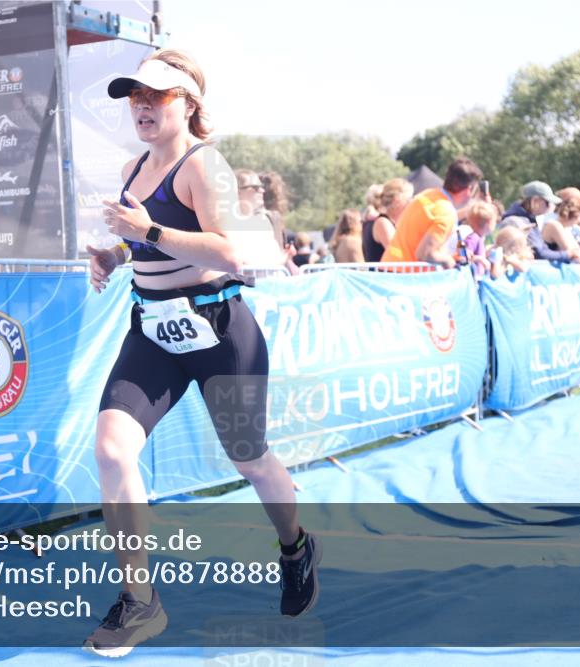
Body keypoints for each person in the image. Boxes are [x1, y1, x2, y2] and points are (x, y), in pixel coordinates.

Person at [84, 49, 321, 658]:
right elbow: (142, 244)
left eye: (155, 95)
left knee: (250, 458)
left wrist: (149, 234)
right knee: (112, 448)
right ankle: (141, 601)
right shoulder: (136, 168)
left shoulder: (204, 164)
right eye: (134, 95)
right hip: (154, 331)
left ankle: (295, 545)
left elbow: (231, 256)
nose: (141, 105)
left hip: (218, 330)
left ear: (188, 103)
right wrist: (114, 256)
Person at [380, 159, 482, 267]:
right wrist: (450, 262)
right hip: (405, 277)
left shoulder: (427, 194)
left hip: (389, 271)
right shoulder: (446, 213)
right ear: (469, 189)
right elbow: (424, 254)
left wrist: (453, 257)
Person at [501, 181, 580, 263]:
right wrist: (568, 254)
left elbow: (543, 250)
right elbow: (539, 253)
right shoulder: (514, 222)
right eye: (547, 203)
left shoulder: (529, 220)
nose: (550, 207)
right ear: (534, 201)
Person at [231, 169, 291, 267]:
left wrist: (284, 257)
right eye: (255, 187)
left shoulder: (264, 221)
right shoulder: (229, 224)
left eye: (261, 187)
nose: (262, 191)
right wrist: (280, 260)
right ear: (238, 191)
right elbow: (241, 260)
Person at [365, 178, 412, 263]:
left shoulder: (381, 221)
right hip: (383, 275)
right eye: (408, 198)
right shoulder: (382, 223)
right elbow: (397, 254)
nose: (410, 202)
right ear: (397, 200)